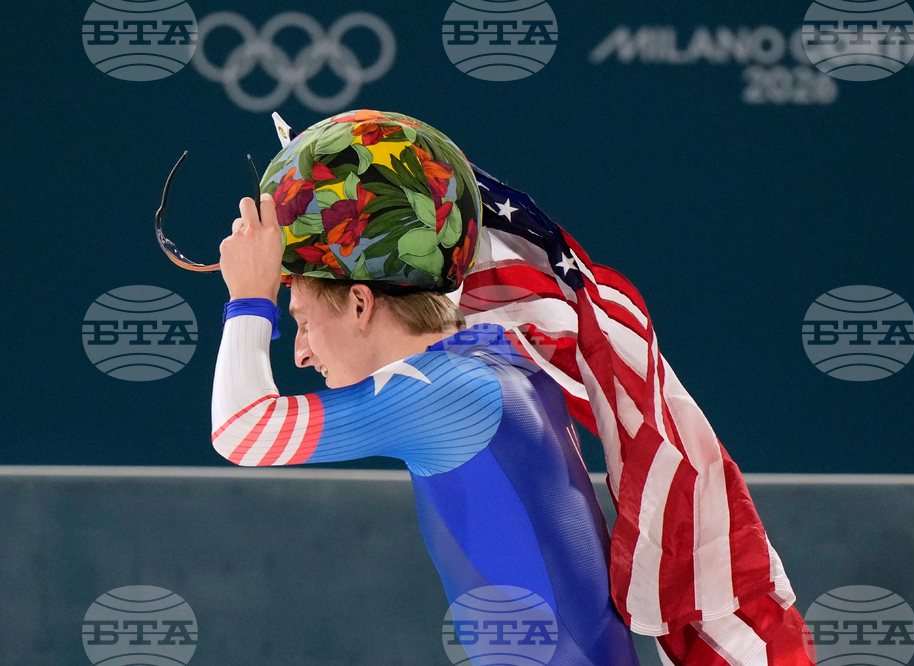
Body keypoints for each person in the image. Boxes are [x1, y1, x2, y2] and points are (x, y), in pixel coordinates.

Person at [211, 111, 642, 665]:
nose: (300, 352)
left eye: (301, 319)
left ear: (362, 304)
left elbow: (239, 431)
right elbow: (414, 253)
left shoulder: (443, 393)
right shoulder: (493, 353)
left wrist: (250, 295)